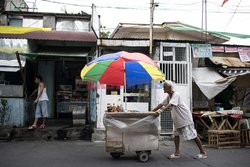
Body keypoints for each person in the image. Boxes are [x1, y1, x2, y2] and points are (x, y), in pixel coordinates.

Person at [153, 81, 207, 159]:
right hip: (178, 120)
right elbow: (161, 104)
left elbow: (170, 104)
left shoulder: (176, 95)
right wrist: (151, 111)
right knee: (176, 135)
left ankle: (203, 152)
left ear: (170, 87)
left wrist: (161, 111)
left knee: (193, 135)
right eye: (163, 86)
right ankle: (177, 153)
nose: (163, 88)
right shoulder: (169, 96)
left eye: (165, 86)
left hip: (185, 118)